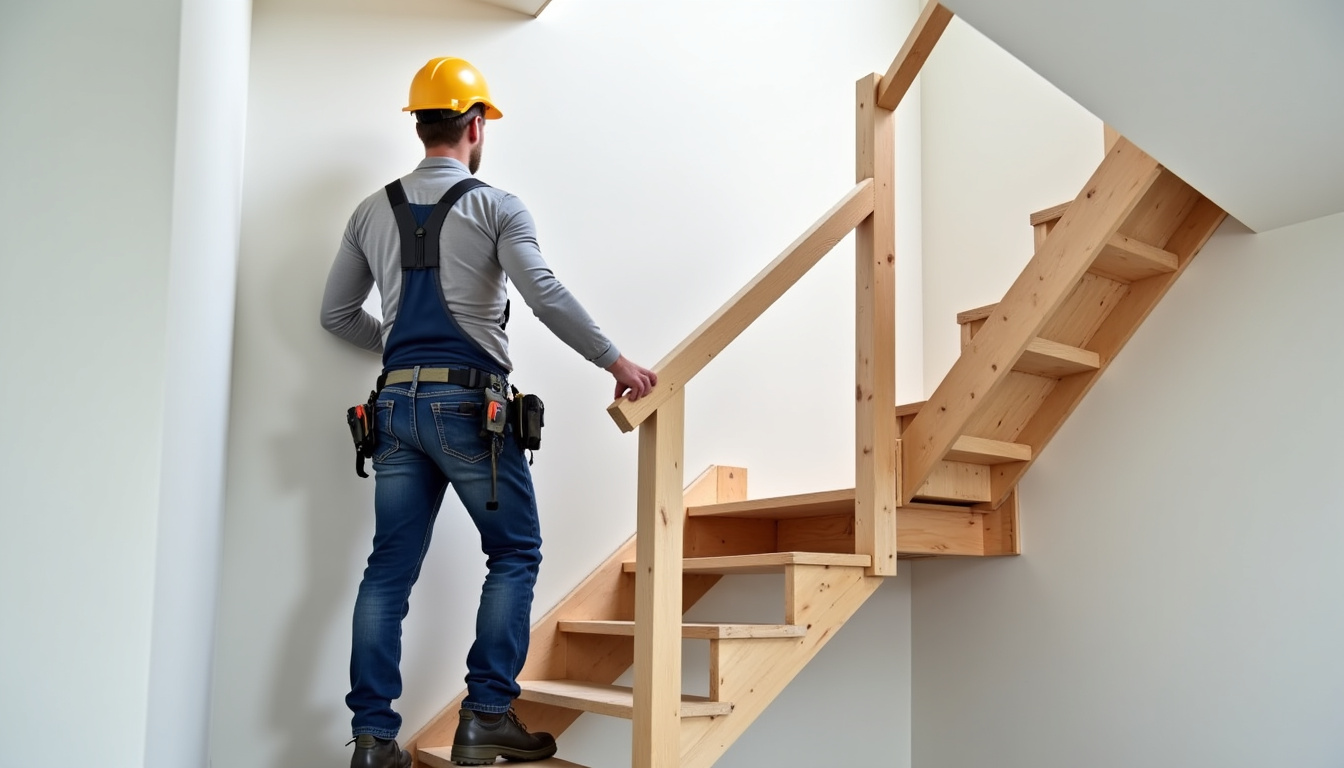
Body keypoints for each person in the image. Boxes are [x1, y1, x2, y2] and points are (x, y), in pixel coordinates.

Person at [320, 56, 657, 768]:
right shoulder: (498, 205)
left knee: (387, 572)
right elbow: (543, 292)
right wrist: (615, 360)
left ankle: (373, 742)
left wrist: (396, 345)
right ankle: (487, 716)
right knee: (514, 553)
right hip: (472, 407)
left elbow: (335, 314)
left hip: (394, 411)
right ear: (475, 126)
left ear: (421, 125)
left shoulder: (367, 210)